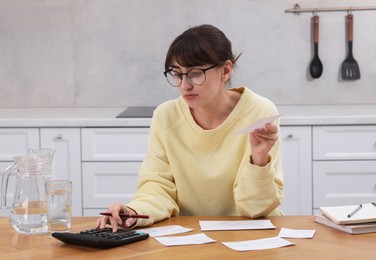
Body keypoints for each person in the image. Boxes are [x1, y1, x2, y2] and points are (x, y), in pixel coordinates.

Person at [97, 24, 283, 231]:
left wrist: (259, 162)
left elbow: (256, 208)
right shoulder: (166, 116)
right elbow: (157, 187)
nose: (184, 85)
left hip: (252, 236)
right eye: (177, 74)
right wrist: (134, 213)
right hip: (190, 238)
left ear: (226, 70)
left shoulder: (259, 111)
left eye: (195, 73)